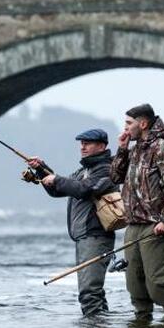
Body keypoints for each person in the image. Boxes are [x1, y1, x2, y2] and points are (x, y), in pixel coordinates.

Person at [27, 128, 118, 316]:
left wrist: (56, 179)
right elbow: (58, 189)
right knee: (93, 292)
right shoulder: (84, 170)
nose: (82, 147)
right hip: (85, 238)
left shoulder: (107, 169)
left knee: (89, 293)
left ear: (101, 146)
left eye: (88, 143)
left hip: (96, 237)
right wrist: (41, 169)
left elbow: (84, 190)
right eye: (81, 144)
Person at [109, 103, 164, 322]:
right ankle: (141, 327)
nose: (125, 128)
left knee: (157, 283)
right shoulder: (133, 150)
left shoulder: (162, 148)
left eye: (129, 123)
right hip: (132, 226)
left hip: (155, 227)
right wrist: (122, 149)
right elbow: (115, 177)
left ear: (142, 124)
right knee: (135, 283)